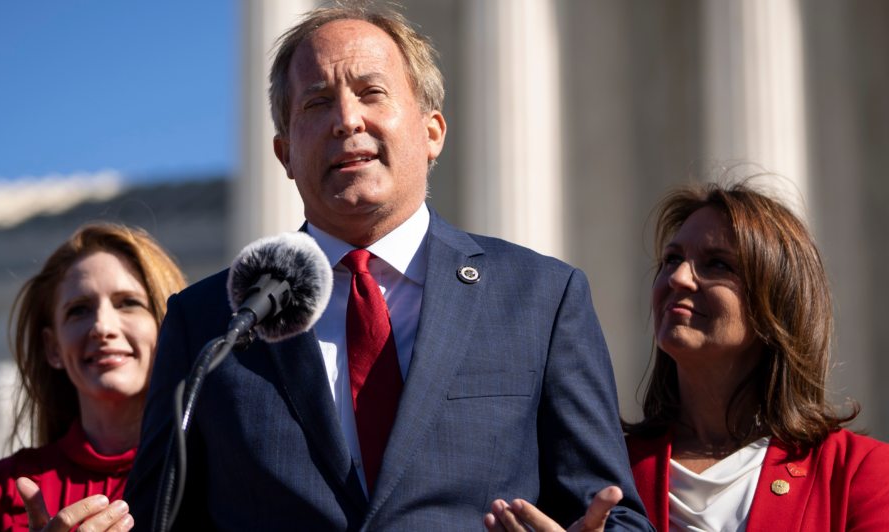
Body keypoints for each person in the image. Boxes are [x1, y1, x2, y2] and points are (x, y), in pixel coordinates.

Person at [124, 3, 653, 531]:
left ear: (432, 132)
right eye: (316, 102)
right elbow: (155, 521)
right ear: (284, 154)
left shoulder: (542, 297)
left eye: (371, 92)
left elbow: (615, 512)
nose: (347, 119)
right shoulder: (207, 322)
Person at [615, 182, 889, 532]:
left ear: (775, 302)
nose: (678, 278)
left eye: (716, 263)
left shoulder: (859, 473)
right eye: (672, 259)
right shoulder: (608, 468)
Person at [0, 223, 187, 532]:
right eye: (79, 310)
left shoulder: (218, 476)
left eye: (128, 303)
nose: (103, 326)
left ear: (166, 329)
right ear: (54, 348)